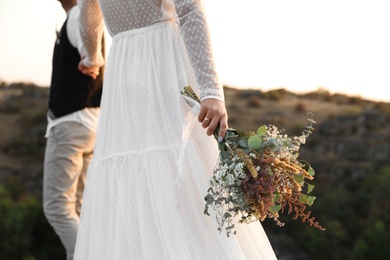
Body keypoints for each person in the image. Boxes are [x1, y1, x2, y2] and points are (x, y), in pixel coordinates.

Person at [74, 0, 277, 259]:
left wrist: (92, 57)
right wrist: (211, 90)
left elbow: (88, 14)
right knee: (185, 171)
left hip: (123, 71)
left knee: (141, 178)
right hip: (164, 64)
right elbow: (190, 8)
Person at [42, 1, 104, 259]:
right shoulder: (78, 15)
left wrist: (90, 58)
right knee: (79, 207)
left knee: (57, 207)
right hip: (90, 124)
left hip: (69, 125)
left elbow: (89, 50)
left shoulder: (80, 14)